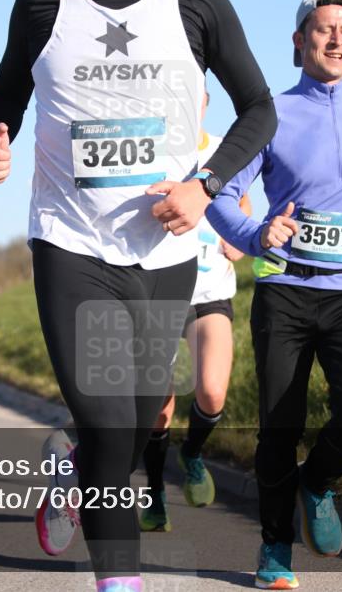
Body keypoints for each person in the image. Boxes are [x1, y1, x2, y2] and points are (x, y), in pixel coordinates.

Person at [0, 0, 277, 589]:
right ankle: (119, 579)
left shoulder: (197, 2)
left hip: (163, 252)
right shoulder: (41, 5)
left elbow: (259, 109)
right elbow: (4, 93)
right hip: (70, 244)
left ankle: (75, 468)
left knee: (140, 421)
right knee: (112, 425)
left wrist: (207, 184)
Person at [207, 0, 342, 590]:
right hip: (285, 290)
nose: (336, 40)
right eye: (324, 30)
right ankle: (275, 549)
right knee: (280, 426)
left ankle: (319, 482)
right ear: (299, 42)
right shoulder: (268, 114)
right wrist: (256, 233)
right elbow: (218, 196)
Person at [139, 93, 252, 532]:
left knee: (212, 393)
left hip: (210, 288)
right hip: (161, 289)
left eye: (194, 95)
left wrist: (239, 239)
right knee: (159, 407)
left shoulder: (224, 148)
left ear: (204, 101)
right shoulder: (151, 149)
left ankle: (192, 454)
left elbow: (242, 204)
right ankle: (153, 492)